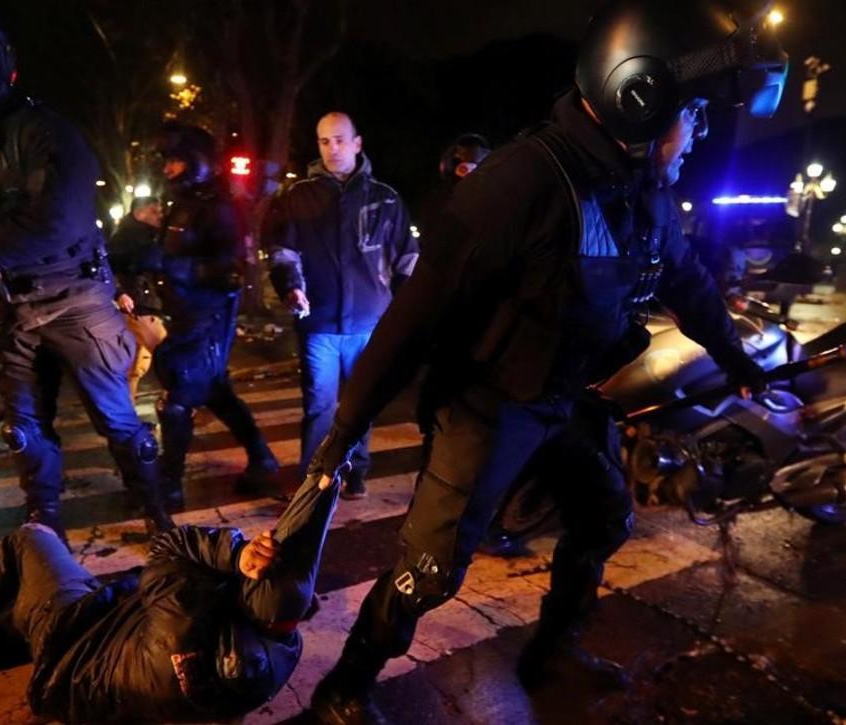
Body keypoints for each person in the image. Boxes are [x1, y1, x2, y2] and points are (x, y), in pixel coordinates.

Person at [304, 2, 787, 721]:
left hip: (567, 397)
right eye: (695, 113)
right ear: (640, 97)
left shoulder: (640, 187)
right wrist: (343, 433)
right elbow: (414, 317)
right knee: (429, 572)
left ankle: (551, 650)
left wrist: (738, 359)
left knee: (602, 516)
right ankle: (342, 686)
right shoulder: (520, 182)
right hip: (489, 405)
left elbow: (684, 277)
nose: (699, 134)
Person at [0, 0, 173, 540]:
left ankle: (157, 517)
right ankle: (43, 524)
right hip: (11, 307)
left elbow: (55, 220)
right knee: (24, 429)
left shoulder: (45, 131)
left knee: (118, 423)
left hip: (75, 298)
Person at [0, 469, 345, 722]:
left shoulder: (183, 614)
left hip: (73, 647)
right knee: (81, 591)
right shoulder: (274, 659)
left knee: (30, 540)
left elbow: (170, 546)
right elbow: (286, 603)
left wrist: (237, 554)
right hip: (124, 661)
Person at [264, 112, 419, 500]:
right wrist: (291, 288)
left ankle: (356, 471)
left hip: (370, 324)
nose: (332, 148)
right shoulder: (297, 196)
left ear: (357, 143)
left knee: (360, 405)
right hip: (319, 324)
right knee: (319, 407)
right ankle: (313, 480)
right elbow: (283, 251)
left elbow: (406, 260)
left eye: (339, 140)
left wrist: (406, 313)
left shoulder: (385, 198)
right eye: (323, 141)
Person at [149, 123, 279, 507]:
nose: (168, 169)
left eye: (175, 161)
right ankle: (263, 459)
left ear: (196, 162)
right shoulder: (186, 203)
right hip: (187, 314)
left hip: (207, 320)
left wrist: (173, 267)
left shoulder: (220, 207)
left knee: (177, 399)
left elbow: (232, 271)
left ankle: (168, 486)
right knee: (217, 393)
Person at [109, 196, 167, 400]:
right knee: (167, 357)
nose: (159, 215)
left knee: (134, 365)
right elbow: (110, 268)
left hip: (140, 304)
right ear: (139, 213)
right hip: (139, 307)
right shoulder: (128, 238)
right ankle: (181, 409)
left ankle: (125, 418)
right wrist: (119, 293)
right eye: (154, 211)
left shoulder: (143, 236)